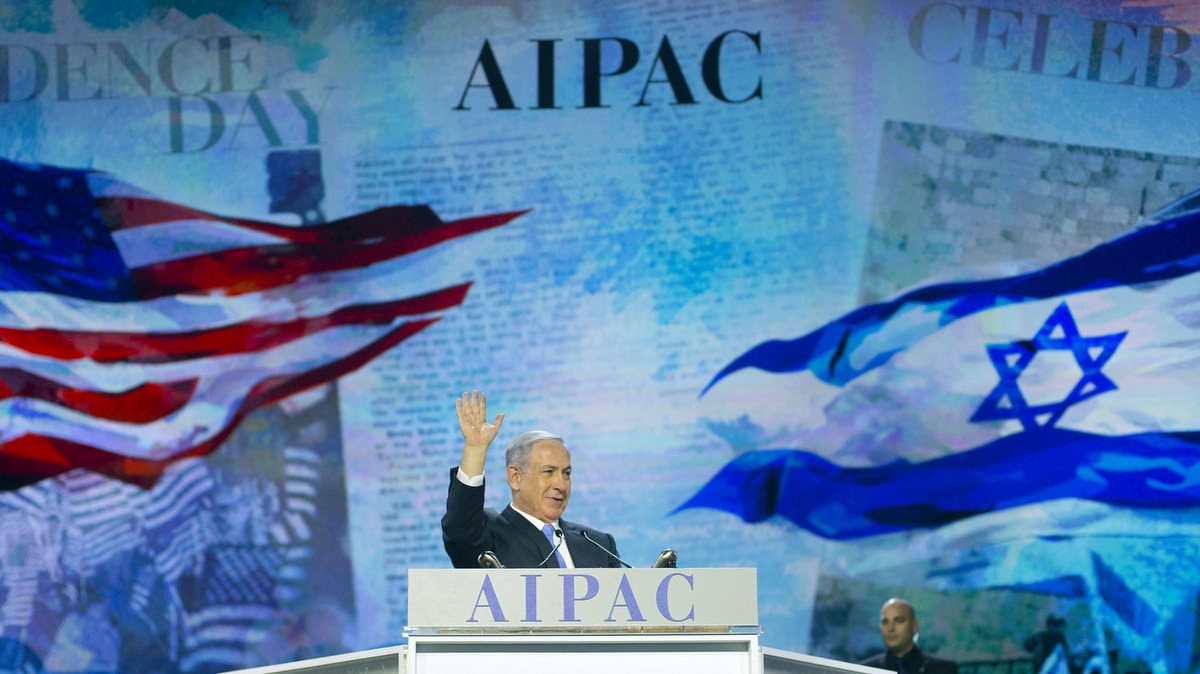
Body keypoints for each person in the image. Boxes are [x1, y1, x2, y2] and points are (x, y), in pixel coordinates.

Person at [440, 390, 623, 568]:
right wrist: (475, 448)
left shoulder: (598, 545)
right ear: (515, 477)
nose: (561, 485)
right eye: (549, 472)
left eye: (566, 473)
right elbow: (460, 531)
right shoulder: (489, 537)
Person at [860, 598, 958, 674]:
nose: (890, 628)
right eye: (885, 622)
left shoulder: (943, 669)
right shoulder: (864, 670)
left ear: (915, 626)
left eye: (899, 621)